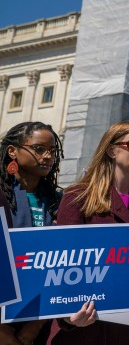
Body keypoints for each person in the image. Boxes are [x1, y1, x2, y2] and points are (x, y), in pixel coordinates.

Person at [48, 121, 129, 345]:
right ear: (112, 150)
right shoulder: (77, 196)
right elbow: (62, 262)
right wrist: (67, 316)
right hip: (85, 322)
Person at [0, 122, 63, 345]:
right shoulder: (2, 196)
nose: (47, 156)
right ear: (12, 151)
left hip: (40, 318)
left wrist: (35, 327)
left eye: (52, 151)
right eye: (38, 149)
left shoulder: (59, 202)